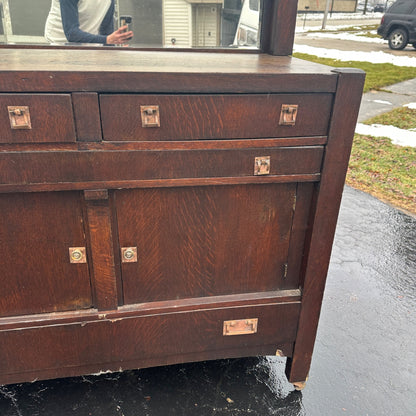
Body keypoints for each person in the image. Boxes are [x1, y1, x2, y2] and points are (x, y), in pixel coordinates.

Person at [45, 0, 133, 45]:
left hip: (92, 47)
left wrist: (115, 46)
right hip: (58, 46)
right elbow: (71, 34)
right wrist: (107, 40)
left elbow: (106, 32)